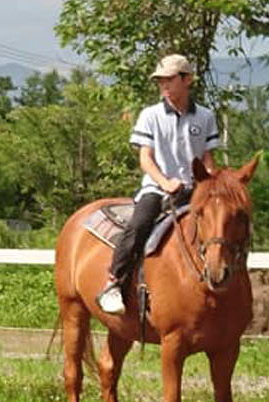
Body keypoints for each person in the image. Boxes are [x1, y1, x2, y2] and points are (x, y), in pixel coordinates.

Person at [97, 54, 221, 314]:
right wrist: (165, 182)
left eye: (169, 80)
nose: (164, 86)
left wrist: (212, 184)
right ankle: (114, 283)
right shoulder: (150, 115)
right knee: (139, 226)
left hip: (195, 191)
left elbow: (208, 159)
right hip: (156, 188)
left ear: (187, 80)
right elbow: (146, 158)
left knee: (221, 226)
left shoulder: (206, 117)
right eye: (160, 82)